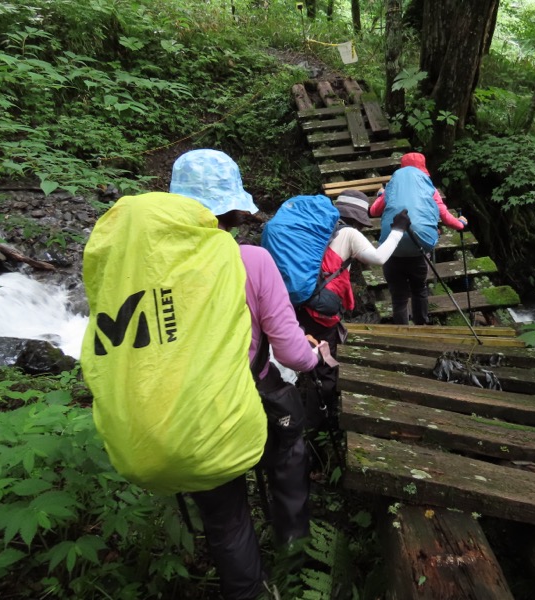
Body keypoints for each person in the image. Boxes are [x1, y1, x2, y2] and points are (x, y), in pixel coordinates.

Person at [170, 148, 320, 599]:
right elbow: (292, 353)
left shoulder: (157, 269)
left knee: (224, 518)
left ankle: (248, 591)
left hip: (184, 409)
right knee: (290, 450)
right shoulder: (252, 261)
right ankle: (295, 558)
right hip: (246, 397)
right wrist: (318, 357)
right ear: (232, 209)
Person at [294, 189, 410, 429]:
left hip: (298, 301)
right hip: (322, 311)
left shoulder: (313, 228)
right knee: (324, 363)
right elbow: (378, 258)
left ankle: (297, 403)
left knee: (301, 351)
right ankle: (320, 423)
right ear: (357, 218)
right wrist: (398, 229)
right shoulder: (348, 232)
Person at [369, 152, 468, 325]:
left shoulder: (392, 187)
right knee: (419, 290)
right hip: (418, 250)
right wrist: (460, 224)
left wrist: (380, 195)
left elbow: (373, 212)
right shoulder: (430, 189)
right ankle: (422, 325)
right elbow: (444, 216)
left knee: (399, 297)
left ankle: (403, 333)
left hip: (392, 251)